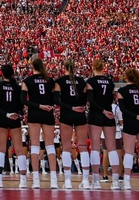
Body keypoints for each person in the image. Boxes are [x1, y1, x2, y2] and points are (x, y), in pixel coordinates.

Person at [54, 58, 90, 189]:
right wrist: (78, 107)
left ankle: (68, 180)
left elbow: (56, 100)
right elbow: (85, 99)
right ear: (74, 68)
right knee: (83, 147)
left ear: (65, 67)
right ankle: (86, 180)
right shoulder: (81, 81)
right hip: (80, 113)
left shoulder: (60, 81)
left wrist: (70, 108)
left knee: (67, 147)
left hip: (67, 114)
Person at [22, 57, 58, 189]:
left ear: (33, 67)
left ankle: (36, 180)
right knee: (50, 146)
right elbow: (55, 99)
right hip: (48, 113)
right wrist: (47, 106)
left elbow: (23, 100)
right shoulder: (50, 80)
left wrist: (39, 106)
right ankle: (54, 179)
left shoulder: (27, 81)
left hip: (35, 112)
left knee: (35, 145)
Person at [0, 63, 29, 189]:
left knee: (1, 149)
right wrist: (17, 114)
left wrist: (6, 114)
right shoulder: (17, 87)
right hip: (14, 119)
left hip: (2, 118)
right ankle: (23, 180)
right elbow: (21, 105)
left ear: (2, 73)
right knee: (19, 149)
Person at [86, 59, 120, 189]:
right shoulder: (110, 82)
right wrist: (106, 110)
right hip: (109, 115)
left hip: (96, 114)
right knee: (112, 148)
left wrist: (102, 110)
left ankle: (96, 181)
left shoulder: (91, 82)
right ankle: (116, 181)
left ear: (93, 67)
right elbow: (111, 98)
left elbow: (91, 100)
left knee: (95, 147)